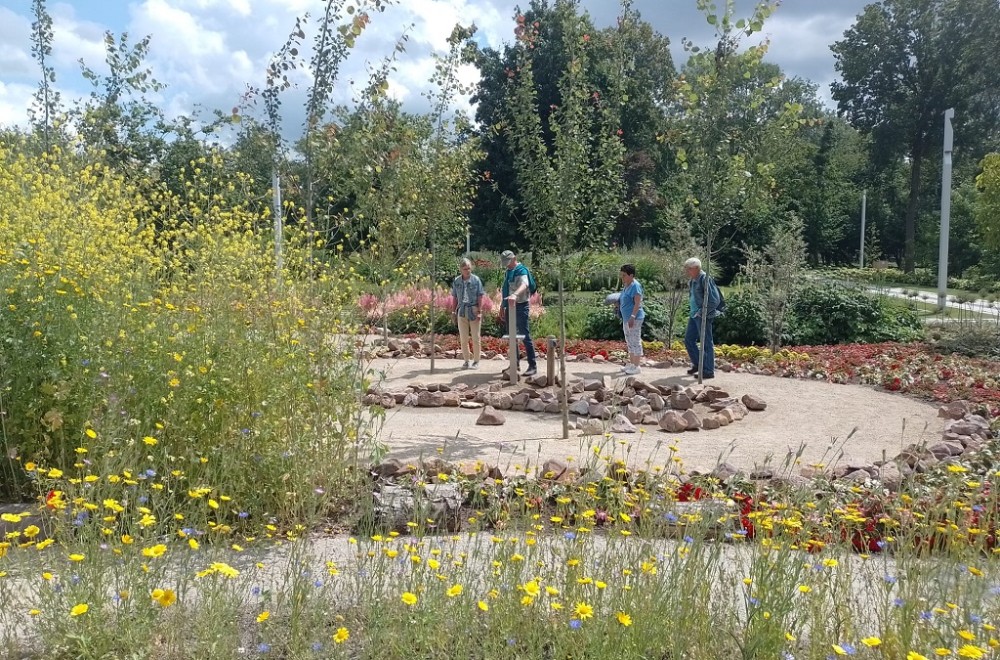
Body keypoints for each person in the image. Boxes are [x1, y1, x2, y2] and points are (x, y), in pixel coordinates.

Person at [500, 249, 537, 377]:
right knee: (512, 336)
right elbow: (506, 289)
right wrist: (502, 306)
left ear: (514, 259)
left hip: (521, 306)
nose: (507, 265)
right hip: (510, 307)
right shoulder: (508, 271)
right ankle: (514, 364)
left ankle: (532, 366)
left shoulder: (521, 270)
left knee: (525, 335)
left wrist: (515, 295)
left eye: (508, 262)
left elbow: (524, 284)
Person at [684, 257, 721, 379]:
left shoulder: (705, 279)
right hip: (694, 315)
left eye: (689, 269)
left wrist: (701, 312)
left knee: (706, 342)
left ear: (696, 268)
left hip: (702, 316)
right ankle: (698, 364)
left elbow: (714, 300)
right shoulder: (693, 280)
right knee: (689, 340)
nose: (687, 271)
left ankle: (708, 370)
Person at [452, 258, 486, 369]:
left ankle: (476, 361)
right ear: (460, 269)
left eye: (469, 268)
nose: (467, 271)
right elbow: (454, 297)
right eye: (465, 269)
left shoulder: (476, 280)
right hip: (462, 311)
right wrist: (453, 312)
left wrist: (480, 311)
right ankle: (466, 361)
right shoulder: (457, 281)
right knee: (463, 339)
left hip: (474, 310)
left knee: (476, 338)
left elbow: (480, 295)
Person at [619, 264, 645, 375]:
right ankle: (632, 364)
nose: (622, 277)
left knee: (635, 341)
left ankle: (637, 366)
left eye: (624, 275)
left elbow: (637, 303)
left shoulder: (635, 286)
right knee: (629, 341)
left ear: (631, 275)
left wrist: (632, 317)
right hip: (626, 318)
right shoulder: (626, 285)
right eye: (622, 275)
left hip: (634, 318)